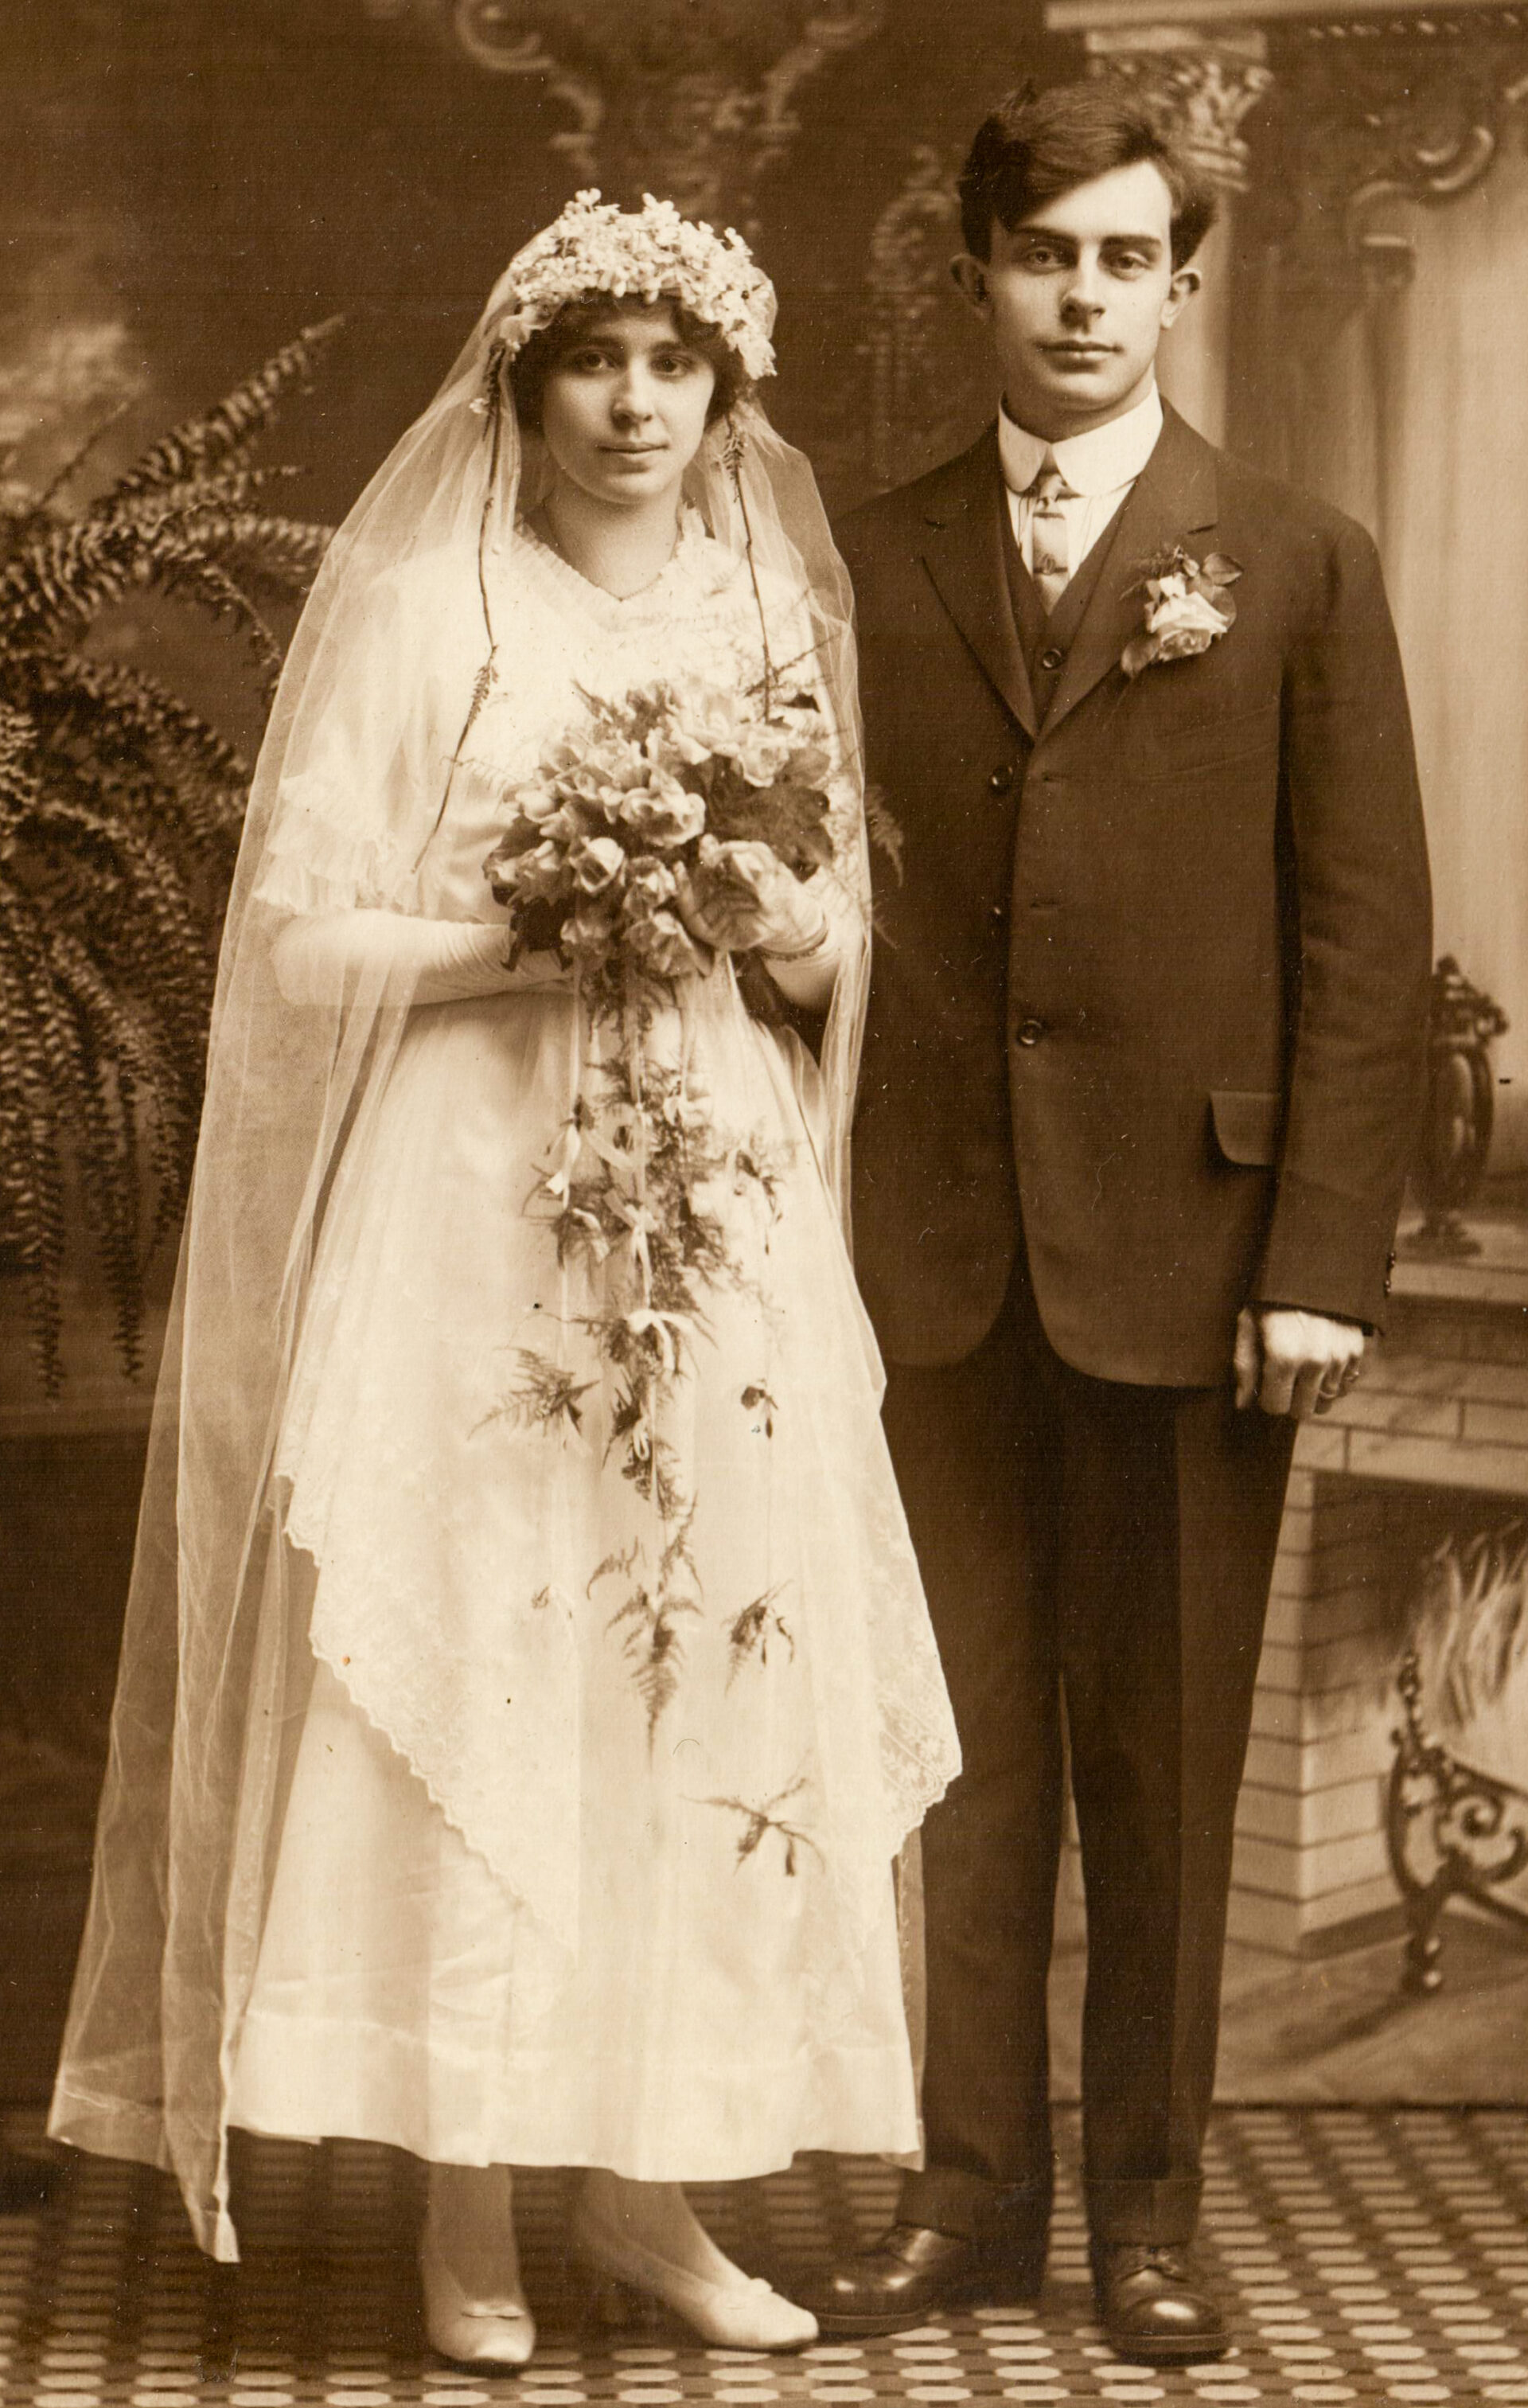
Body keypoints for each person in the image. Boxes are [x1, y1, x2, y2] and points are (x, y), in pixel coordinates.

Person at [48, 193, 960, 2368]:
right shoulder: (420, 603)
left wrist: (762, 913)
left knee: (688, 1668)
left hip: (711, 1225)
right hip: (476, 1212)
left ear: (727, 389)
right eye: (595, 362)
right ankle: (469, 2199)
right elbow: (291, 947)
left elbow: (835, 941)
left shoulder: (762, 601)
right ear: (525, 384)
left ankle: (646, 2192)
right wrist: (527, 936)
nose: (638, 404)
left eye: (678, 365)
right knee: (488, 1661)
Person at [797, 83, 1432, 2366]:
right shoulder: (855, 558)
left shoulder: (1295, 552)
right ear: (974, 271)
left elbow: (1369, 938)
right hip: (932, 1268)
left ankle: (1151, 2217)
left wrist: (1324, 1264)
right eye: (1042, 253)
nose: (1083, 296)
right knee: (962, 1765)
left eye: (1124, 257)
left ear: (1183, 280)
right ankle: (969, 2195)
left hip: (1203, 1268)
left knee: (1164, 1765)